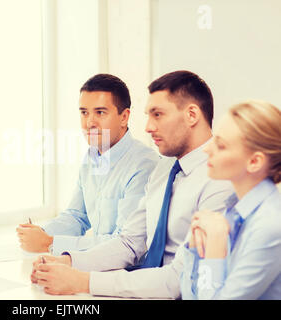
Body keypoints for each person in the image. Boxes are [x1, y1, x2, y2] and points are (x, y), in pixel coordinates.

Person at [31, 70, 234, 299]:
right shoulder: (165, 168)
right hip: (143, 286)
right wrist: (68, 261)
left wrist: (84, 281)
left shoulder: (221, 181)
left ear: (191, 115)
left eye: (157, 115)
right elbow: (130, 243)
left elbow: (181, 278)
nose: (147, 127)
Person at [16, 74, 159, 255]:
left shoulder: (143, 165)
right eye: (84, 112)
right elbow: (77, 216)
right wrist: (40, 234)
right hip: (97, 264)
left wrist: (50, 243)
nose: (89, 123)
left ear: (124, 117)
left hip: (127, 272)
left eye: (100, 113)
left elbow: (124, 244)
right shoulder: (92, 156)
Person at [181, 100, 281, 299]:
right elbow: (190, 294)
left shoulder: (270, 226)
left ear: (254, 162)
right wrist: (193, 248)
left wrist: (215, 248)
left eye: (221, 145)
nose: (206, 150)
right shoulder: (230, 211)